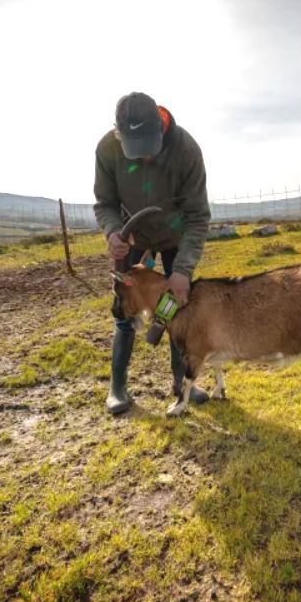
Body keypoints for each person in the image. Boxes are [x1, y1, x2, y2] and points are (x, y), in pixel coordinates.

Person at [93, 92, 212, 414]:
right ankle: (117, 389)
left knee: (178, 308)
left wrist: (183, 269)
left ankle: (181, 383)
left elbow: (198, 217)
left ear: (160, 128)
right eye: (136, 151)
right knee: (124, 309)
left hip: (176, 237)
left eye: (150, 148)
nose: (145, 158)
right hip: (131, 238)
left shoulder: (186, 150)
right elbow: (104, 203)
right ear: (119, 134)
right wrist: (113, 232)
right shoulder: (107, 149)